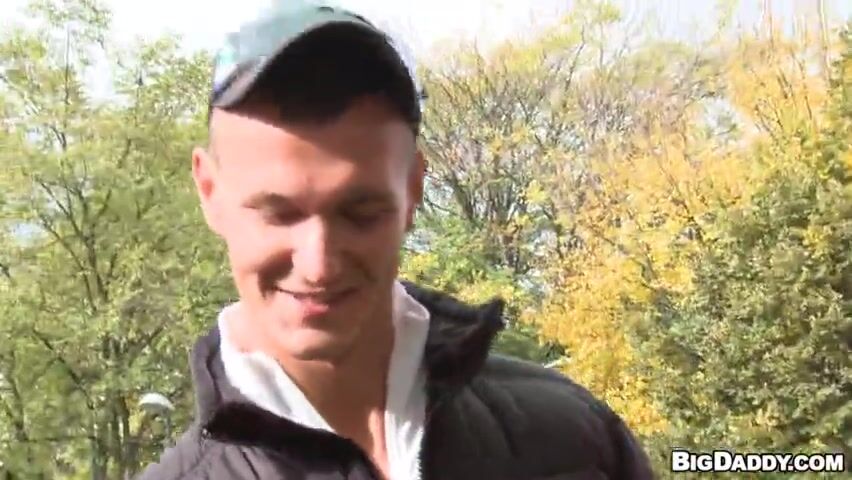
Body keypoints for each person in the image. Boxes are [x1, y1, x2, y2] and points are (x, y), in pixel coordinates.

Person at [137, 1, 655, 479]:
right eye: (278, 214)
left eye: (361, 214)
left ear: (413, 191)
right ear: (210, 192)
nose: (318, 264)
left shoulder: (574, 441)